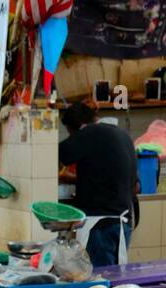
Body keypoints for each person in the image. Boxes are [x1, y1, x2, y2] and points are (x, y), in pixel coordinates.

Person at [58, 103, 138, 267]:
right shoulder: (121, 134)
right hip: (123, 221)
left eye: (71, 134)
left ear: (79, 127)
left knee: (99, 281)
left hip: (101, 226)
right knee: (113, 279)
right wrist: (73, 179)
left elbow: (58, 152)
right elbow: (129, 183)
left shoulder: (89, 132)